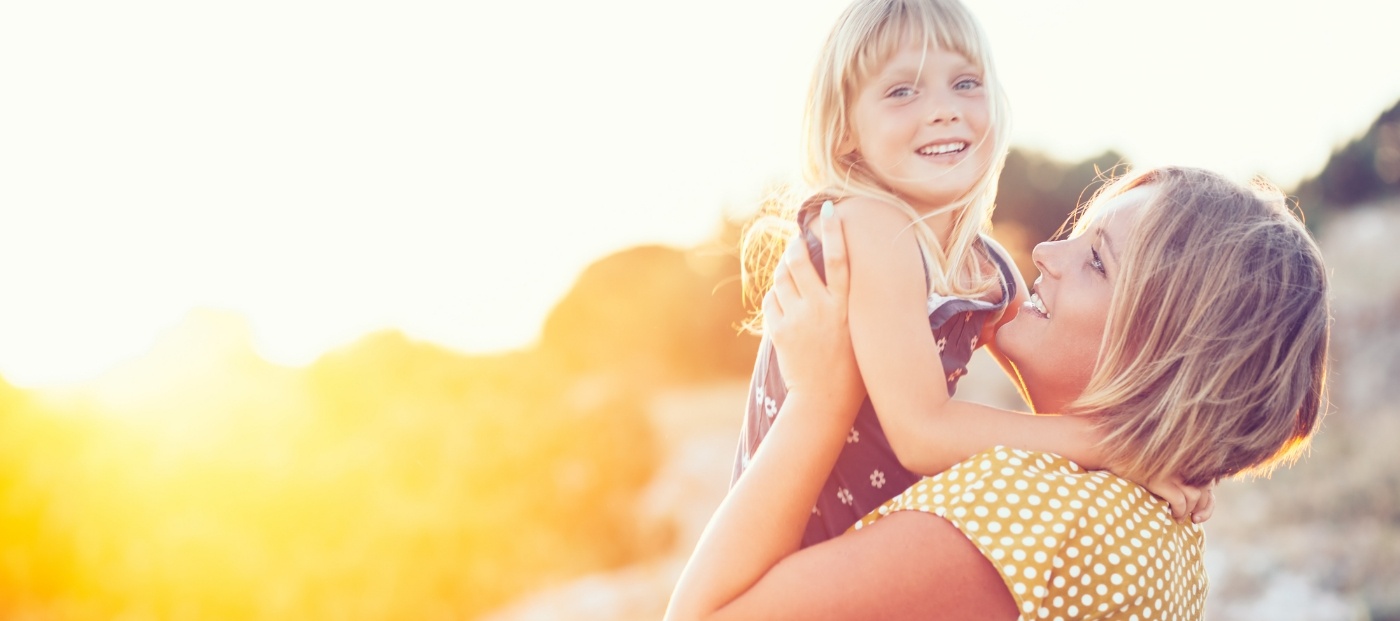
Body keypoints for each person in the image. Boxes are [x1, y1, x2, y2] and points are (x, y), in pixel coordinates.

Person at [665, 165, 1330, 620]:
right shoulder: (1136, 515)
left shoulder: (1042, 513)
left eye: (1096, 260)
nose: (1046, 252)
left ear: (1171, 357)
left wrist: (819, 396)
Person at [732, 0, 1111, 547]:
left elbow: (1056, 398)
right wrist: (1106, 445)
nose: (943, 110)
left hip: (871, 550)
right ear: (845, 131)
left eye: (965, 82)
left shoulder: (984, 264)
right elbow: (922, 432)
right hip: (788, 549)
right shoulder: (868, 224)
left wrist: (1149, 453)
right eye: (902, 91)